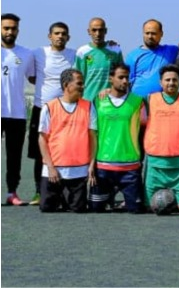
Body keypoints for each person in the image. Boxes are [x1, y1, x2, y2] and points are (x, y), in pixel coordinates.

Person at [28, 22, 75, 205]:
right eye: (56, 33)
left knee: (65, 149)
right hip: (41, 108)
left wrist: (111, 45)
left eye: (63, 33)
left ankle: (65, 191)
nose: (60, 36)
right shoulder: (37, 53)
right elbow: (32, 77)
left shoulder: (74, 54)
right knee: (40, 152)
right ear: (49, 36)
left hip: (65, 110)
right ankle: (39, 191)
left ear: (68, 37)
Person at [144, 65, 179, 214]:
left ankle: (171, 199)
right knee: (149, 207)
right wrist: (107, 91)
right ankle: (167, 198)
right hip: (155, 164)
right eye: (167, 80)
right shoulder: (149, 99)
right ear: (160, 82)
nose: (171, 83)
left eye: (175, 80)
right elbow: (126, 100)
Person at [37, 69, 97, 212]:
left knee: (78, 208)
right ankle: (61, 195)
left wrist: (91, 165)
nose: (83, 86)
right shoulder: (49, 107)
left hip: (78, 171)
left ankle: (66, 196)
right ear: (66, 85)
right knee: (46, 208)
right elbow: (42, 139)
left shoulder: (89, 106)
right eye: (79, 83)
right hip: (54, 170)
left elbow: (93, 138)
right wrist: (50, 167)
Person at [89, 63, 145, 213]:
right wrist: (91, 163)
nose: (125, 81)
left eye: (127, 77)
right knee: (96, 209)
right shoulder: (98, 101)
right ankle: (110, 194)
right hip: (103, 166)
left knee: (136, 210)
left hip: (130, 167)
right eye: (121, 77)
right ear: (110, 79)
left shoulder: (138, 102)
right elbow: (92, 133)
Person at [1, 13, 35, 205]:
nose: (9, 31)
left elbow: (34, 77)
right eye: (6, 28)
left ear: (18, 31)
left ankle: (11, 192)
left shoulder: (26, 54)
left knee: (14, 156)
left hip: (17, 114)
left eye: (13, 28)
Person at [125, 19, 179, 99]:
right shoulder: (132, 56)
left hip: (162, 102)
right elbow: (126, 82)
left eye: (153, 33)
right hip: (138, 101)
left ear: (161, 34)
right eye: (147, 33)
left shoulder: (171, 51)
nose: (150, 36)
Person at [74, 17, 123, 101]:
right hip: (88, 99)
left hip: (110, 100)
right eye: (94, 30)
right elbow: (77, 78)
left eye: (101, 30)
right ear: (89, 31)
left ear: (105, 31)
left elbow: (121, 76)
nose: (98, 33)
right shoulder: (82, 52)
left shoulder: (115, 50)